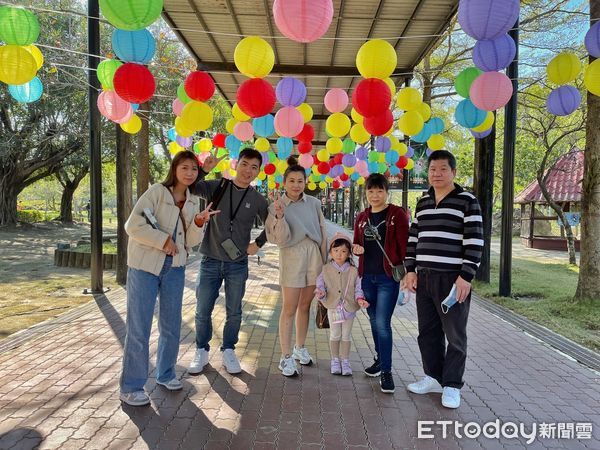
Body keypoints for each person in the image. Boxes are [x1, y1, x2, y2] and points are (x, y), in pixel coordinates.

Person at [120, 151, 218, 407]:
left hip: (175, 268)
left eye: (193, 169)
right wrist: (162, 240)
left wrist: (198, 222)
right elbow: (133, 226)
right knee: (139, 327)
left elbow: (193, 242)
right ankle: (131, 386)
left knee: (171, 326)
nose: (189, 173)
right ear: (174, 169)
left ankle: (165, 374)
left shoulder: (194, 201)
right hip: (145, 267)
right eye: (184, 167)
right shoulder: (156, 192)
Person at [403, 150, 483, 409]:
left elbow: (475, 241)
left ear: (454, 172)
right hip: (424, 277)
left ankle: (451, 385)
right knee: (427, 332)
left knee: (455, 334)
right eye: (432, 169)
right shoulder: (423, 201)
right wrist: (411, 269)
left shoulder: (467, 200)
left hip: (452, 280)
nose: (436, 174)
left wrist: (465, 277)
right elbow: (414, 237)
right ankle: (433, 377)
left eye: (442, 169)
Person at [188, 148, 269, 375]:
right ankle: (202, 350)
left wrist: (258, 243)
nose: (248, 170)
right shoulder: (217, 186)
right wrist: (204, 170)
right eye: (245, 164)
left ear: (258, 172)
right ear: (237, 164)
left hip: (237, 264)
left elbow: (273, 224)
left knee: (234, 311)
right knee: (203, 308)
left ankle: (228, 350)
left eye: (254, 167)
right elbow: (191, 186)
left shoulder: (257, 199)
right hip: (210, 260)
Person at [265, 156, 328, 377]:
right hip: (291, 255)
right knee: (289, 308)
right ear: (285, 183)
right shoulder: (276, 206)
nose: (296, 185)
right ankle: (285, 357)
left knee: (305, 306)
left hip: (314, 255)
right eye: (291, 181)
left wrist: (326, 261)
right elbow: (277, 239)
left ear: (305, 182)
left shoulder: (314, 203)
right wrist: (280, 216)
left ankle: (300, 347)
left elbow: (322, 232)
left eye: (300, 181)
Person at [353, 173, 409, 393]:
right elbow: (357, 243)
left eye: (379, 191)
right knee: (374, 320)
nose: (375, 195)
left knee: (383, 324)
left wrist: (408, 273)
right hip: (367, 277)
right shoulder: (362, 217)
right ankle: (379, 360)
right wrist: (356, 248)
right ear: (366, 192)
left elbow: (404, 245)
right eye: (371, 191)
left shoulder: (397, 214)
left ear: (386, 192)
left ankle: (386, 371)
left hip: (387, 278)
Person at [315, 232, 369, 376]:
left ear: (349, 254)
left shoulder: (353, 271)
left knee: (346, 335)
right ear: (331, 252)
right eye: (336, 250)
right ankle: (334, 360)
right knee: (335, 334)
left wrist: (360, 299)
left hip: (349, 309)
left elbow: (358, 288)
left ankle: (345, 360)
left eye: (344, 251)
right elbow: (320, 284)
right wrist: (320, 292)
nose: (339, 254)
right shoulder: (326, 269)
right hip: (333, 307)